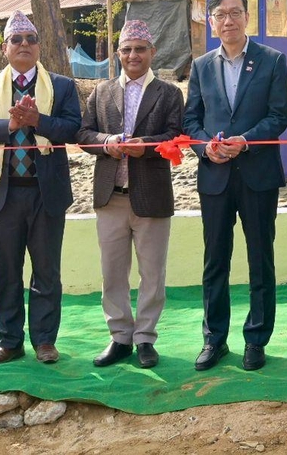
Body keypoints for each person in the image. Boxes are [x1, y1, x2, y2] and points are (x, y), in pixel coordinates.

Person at [0, 11, 81, 366]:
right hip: (3, 192)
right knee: (7, 271)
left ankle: (45, 341)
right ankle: (9, 341)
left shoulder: (60, 85)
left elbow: (73, 128)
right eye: (17, 40)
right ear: (5, 48)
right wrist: (10, 124)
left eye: (31, 39)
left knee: (47, 270)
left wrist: (38, 121)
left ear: (39, 46)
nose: (25, 45)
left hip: (46, 192)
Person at [183, 0, 287, 372]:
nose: (228, 20)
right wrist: (203, 148)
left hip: (257, 174)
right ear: (212, 23)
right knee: (215, 260)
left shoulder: (272, 61)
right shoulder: (200, 66)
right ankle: (214, 339)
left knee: (260, 259)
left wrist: (245, 142)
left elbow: (280, 116)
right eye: (220, 15)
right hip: (215, 176)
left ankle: (256, 339)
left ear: (247, 17)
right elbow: (191, 120)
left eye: (235, 12)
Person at [78, 19, 184, 369]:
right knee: (112, 272)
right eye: (126, 49)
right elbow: (84, 134)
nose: (133, 55)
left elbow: (176, 135)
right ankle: (120, 336)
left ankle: (145, 339)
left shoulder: (168, 94)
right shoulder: (102, 91)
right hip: (110, 196)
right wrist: (106, 143)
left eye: (140, 49)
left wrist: (148, 147)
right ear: (118, 53)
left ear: (152, 52)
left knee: (152, 274)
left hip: (151, 195)